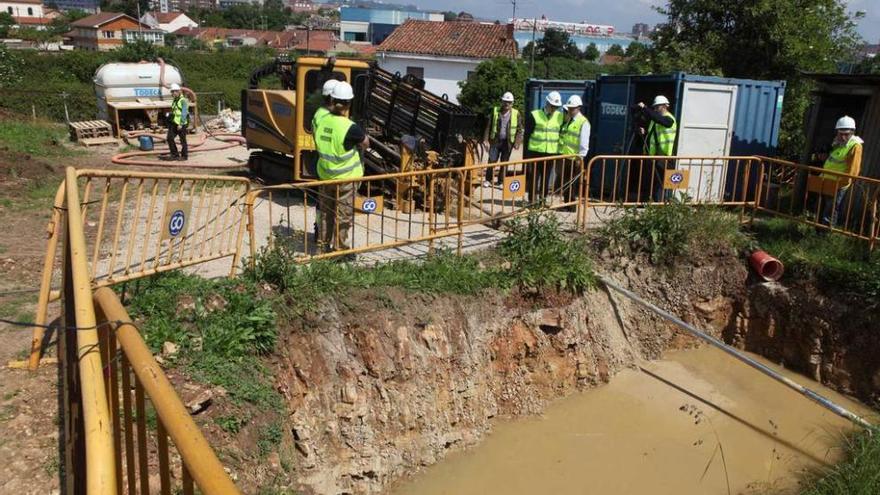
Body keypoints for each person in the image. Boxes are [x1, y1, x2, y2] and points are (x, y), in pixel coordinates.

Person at [314, 81, 369, 252]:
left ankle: (322, 248)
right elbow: (365, 143)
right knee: (343, 216)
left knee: (325, 214)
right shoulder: (349, 127)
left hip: (325, 177)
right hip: (345, 180)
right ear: (348, 103)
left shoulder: (321, 121)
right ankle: (340, 250)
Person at [820, 115, 863, 227]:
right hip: (827, 180)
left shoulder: (855, 146)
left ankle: (826, 233)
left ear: (852, 132)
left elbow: (854, 169)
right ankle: (819, 229)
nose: (843, 136)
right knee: (824, 207)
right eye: (840, 133)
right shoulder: (837, 143)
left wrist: (844, 183)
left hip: (839, 183)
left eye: (846, 134)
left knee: (831, 208)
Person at [524, 91, 563, 202]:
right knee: (534, 178)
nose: (554, 108)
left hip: (550, 153)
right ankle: (531, 201)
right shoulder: (534, 115)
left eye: (556, 107)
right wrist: (526, 155)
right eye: (552, 106)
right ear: (547, 103)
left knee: (546, 178)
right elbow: (527, 135)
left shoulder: (560, 117)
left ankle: (542, 200)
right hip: (535, 152)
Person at [638, 95, 677, 200]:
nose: (655, 109)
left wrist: (646, 108)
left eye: (657, 107)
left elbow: (663, 122)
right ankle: (647, 202)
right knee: (650, 181)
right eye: (654, 107)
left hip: (664, 157)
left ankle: (658, 203)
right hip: (653, 156)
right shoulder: (655, 120)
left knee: (660, 183)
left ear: (665, 106)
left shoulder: (669, 119)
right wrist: (644, 132)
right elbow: (653, 136)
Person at [482, 91, 523, 187]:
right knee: (492, 160)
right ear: (502, 101)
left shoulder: (516, 114)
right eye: (505, 101)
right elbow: (488, 126)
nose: (506, 104)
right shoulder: (495, 111)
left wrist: (517, 142)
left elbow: (519, 129)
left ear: (512, 103)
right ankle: (488, 180)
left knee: (504, 162)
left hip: (508, 143)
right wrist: (486, 139)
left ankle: (501, 181)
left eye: (509, 102)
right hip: (495, 141)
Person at [558, 94, 590, 201]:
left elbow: (584, 143)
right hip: (567, 156)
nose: (570, 111)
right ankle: (567, 203)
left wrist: (580, 158)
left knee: (573, 183)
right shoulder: (570, 121)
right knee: (567, 181)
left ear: (578, 108)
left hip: (575, 158)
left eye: (572, 109)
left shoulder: (583, 122)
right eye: (569, 109)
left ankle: (571, 205)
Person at [161, 83, 189, 161]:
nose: (173, 93)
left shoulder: (183, 101)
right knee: (169, 138)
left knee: (183, 140)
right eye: (172, 92)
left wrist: (181, 123)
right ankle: (174, 154)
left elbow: (184, 113)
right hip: (174, 123)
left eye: (175, 91)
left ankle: (184, 156)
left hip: (181, 124)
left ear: (179, 91)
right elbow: (175, 111)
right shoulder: (175, 100)